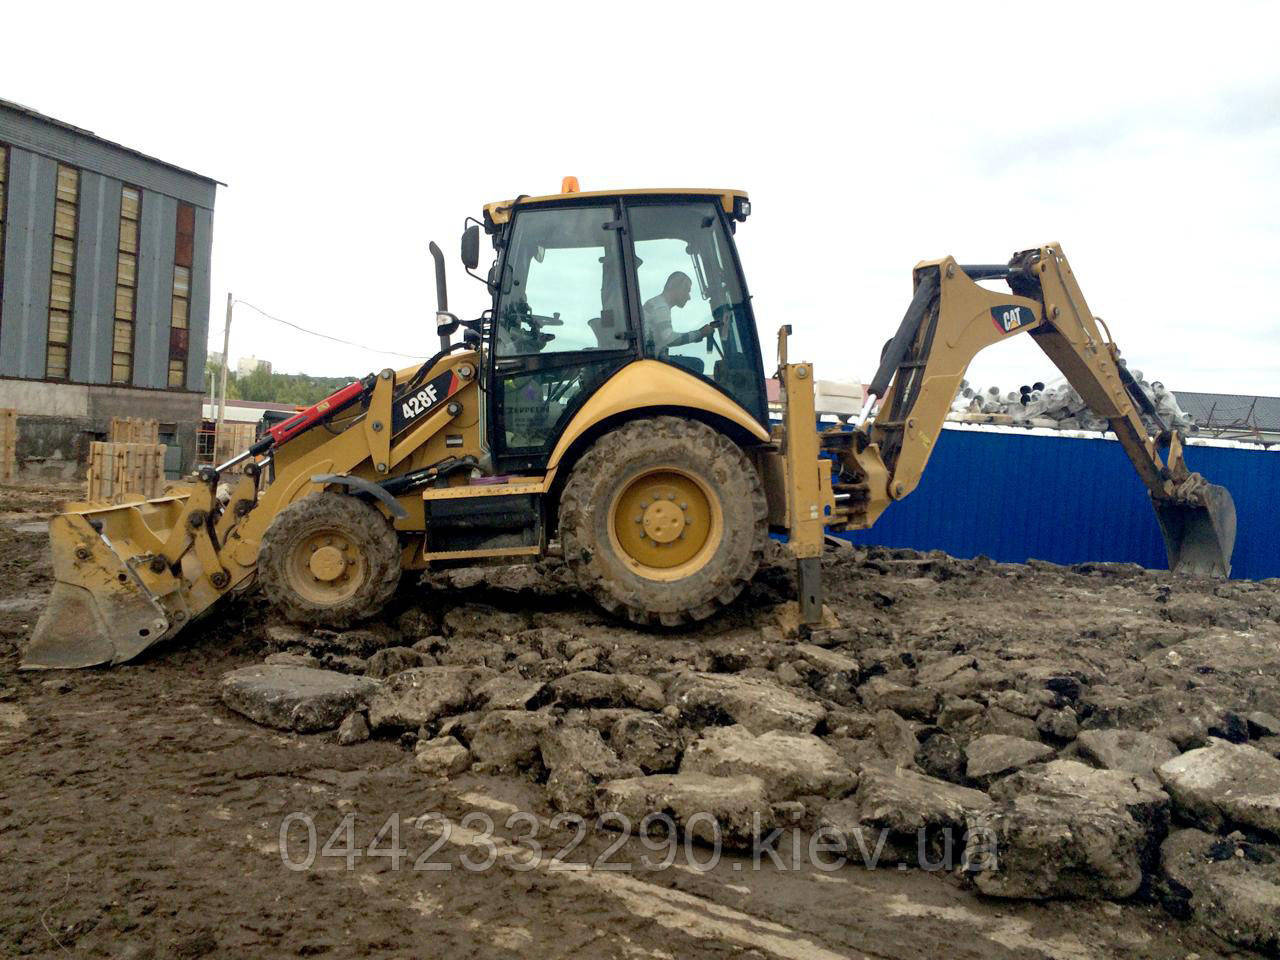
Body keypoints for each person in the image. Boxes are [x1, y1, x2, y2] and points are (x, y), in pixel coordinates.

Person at [642, 272, 718, 354]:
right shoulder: (661, 307)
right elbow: (668, 339)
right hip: (651, 360)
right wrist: (699, 333)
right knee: (697, 364)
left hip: (651, 356)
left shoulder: (656, 303)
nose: (689, 297)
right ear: (674, 287)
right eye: (686, 290)